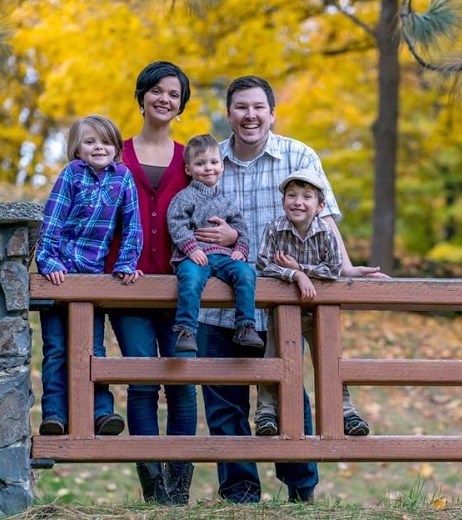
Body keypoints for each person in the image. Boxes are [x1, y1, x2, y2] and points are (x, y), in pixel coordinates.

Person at [193, 75, 386, 504]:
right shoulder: (210, 161)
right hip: (219, 303)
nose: (250, 116)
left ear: (272, 113)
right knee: (225, 403)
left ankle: (302, 491)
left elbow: (325, 219)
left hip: (282, 307)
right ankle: (240, 494)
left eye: (258, 107)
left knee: (287, 396)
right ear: (228, 114)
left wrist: (347, 269)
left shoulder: (298, 155)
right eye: (241, 107)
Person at [104, 61, 197, 506]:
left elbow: (216, 207)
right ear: (141, 96)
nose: (165, 99)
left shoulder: (193, 159)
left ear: (181, 106)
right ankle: (152, 486)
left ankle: (179, 487)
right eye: (157, 90)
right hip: (128, 287)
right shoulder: (113, 153)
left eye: (174, 94)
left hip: (183, 290)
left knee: (182, 379)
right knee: (141, 379)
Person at [35, 114, 142, 438]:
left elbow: (132, 227)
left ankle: (101, 413)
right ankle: (55, 415)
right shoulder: (71, 175)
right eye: (90, 141)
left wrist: (125, 264)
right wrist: (48, 262)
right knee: (56, 349)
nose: (99, 147)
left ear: (117, 147)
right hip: (62, 275)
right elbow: (52, 221)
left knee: (93, 350)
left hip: (93, 278)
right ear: (77, 149)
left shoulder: (123, 179)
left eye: (106, 141)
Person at [254, 168, 370, 437]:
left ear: (320, 206)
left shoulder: (326, 234)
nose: (298, 201)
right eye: (292, 195)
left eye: (307, 196)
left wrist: (300, 269)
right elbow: (263, 263)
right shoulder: (274, 230)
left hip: (318, 313)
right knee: (274, 357)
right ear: (283, 201)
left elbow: (333, 269)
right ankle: (266, 413)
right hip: (282, 313)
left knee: (328, 360)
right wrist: (295, 274)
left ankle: (346, 413)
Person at [167, 134, 263, 352]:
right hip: (194, 256)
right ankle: (186, 330)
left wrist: (240, 249)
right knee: (190, 279)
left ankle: (245, 326)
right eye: (200, 163)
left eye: (213, 162)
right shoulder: (184, 198)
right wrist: (191, 249)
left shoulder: (227, 202)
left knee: (246, 274)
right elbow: (176, 224)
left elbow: (241, 229)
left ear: (221, 166)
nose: (208, 168)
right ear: (189, 170)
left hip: (223, 256)